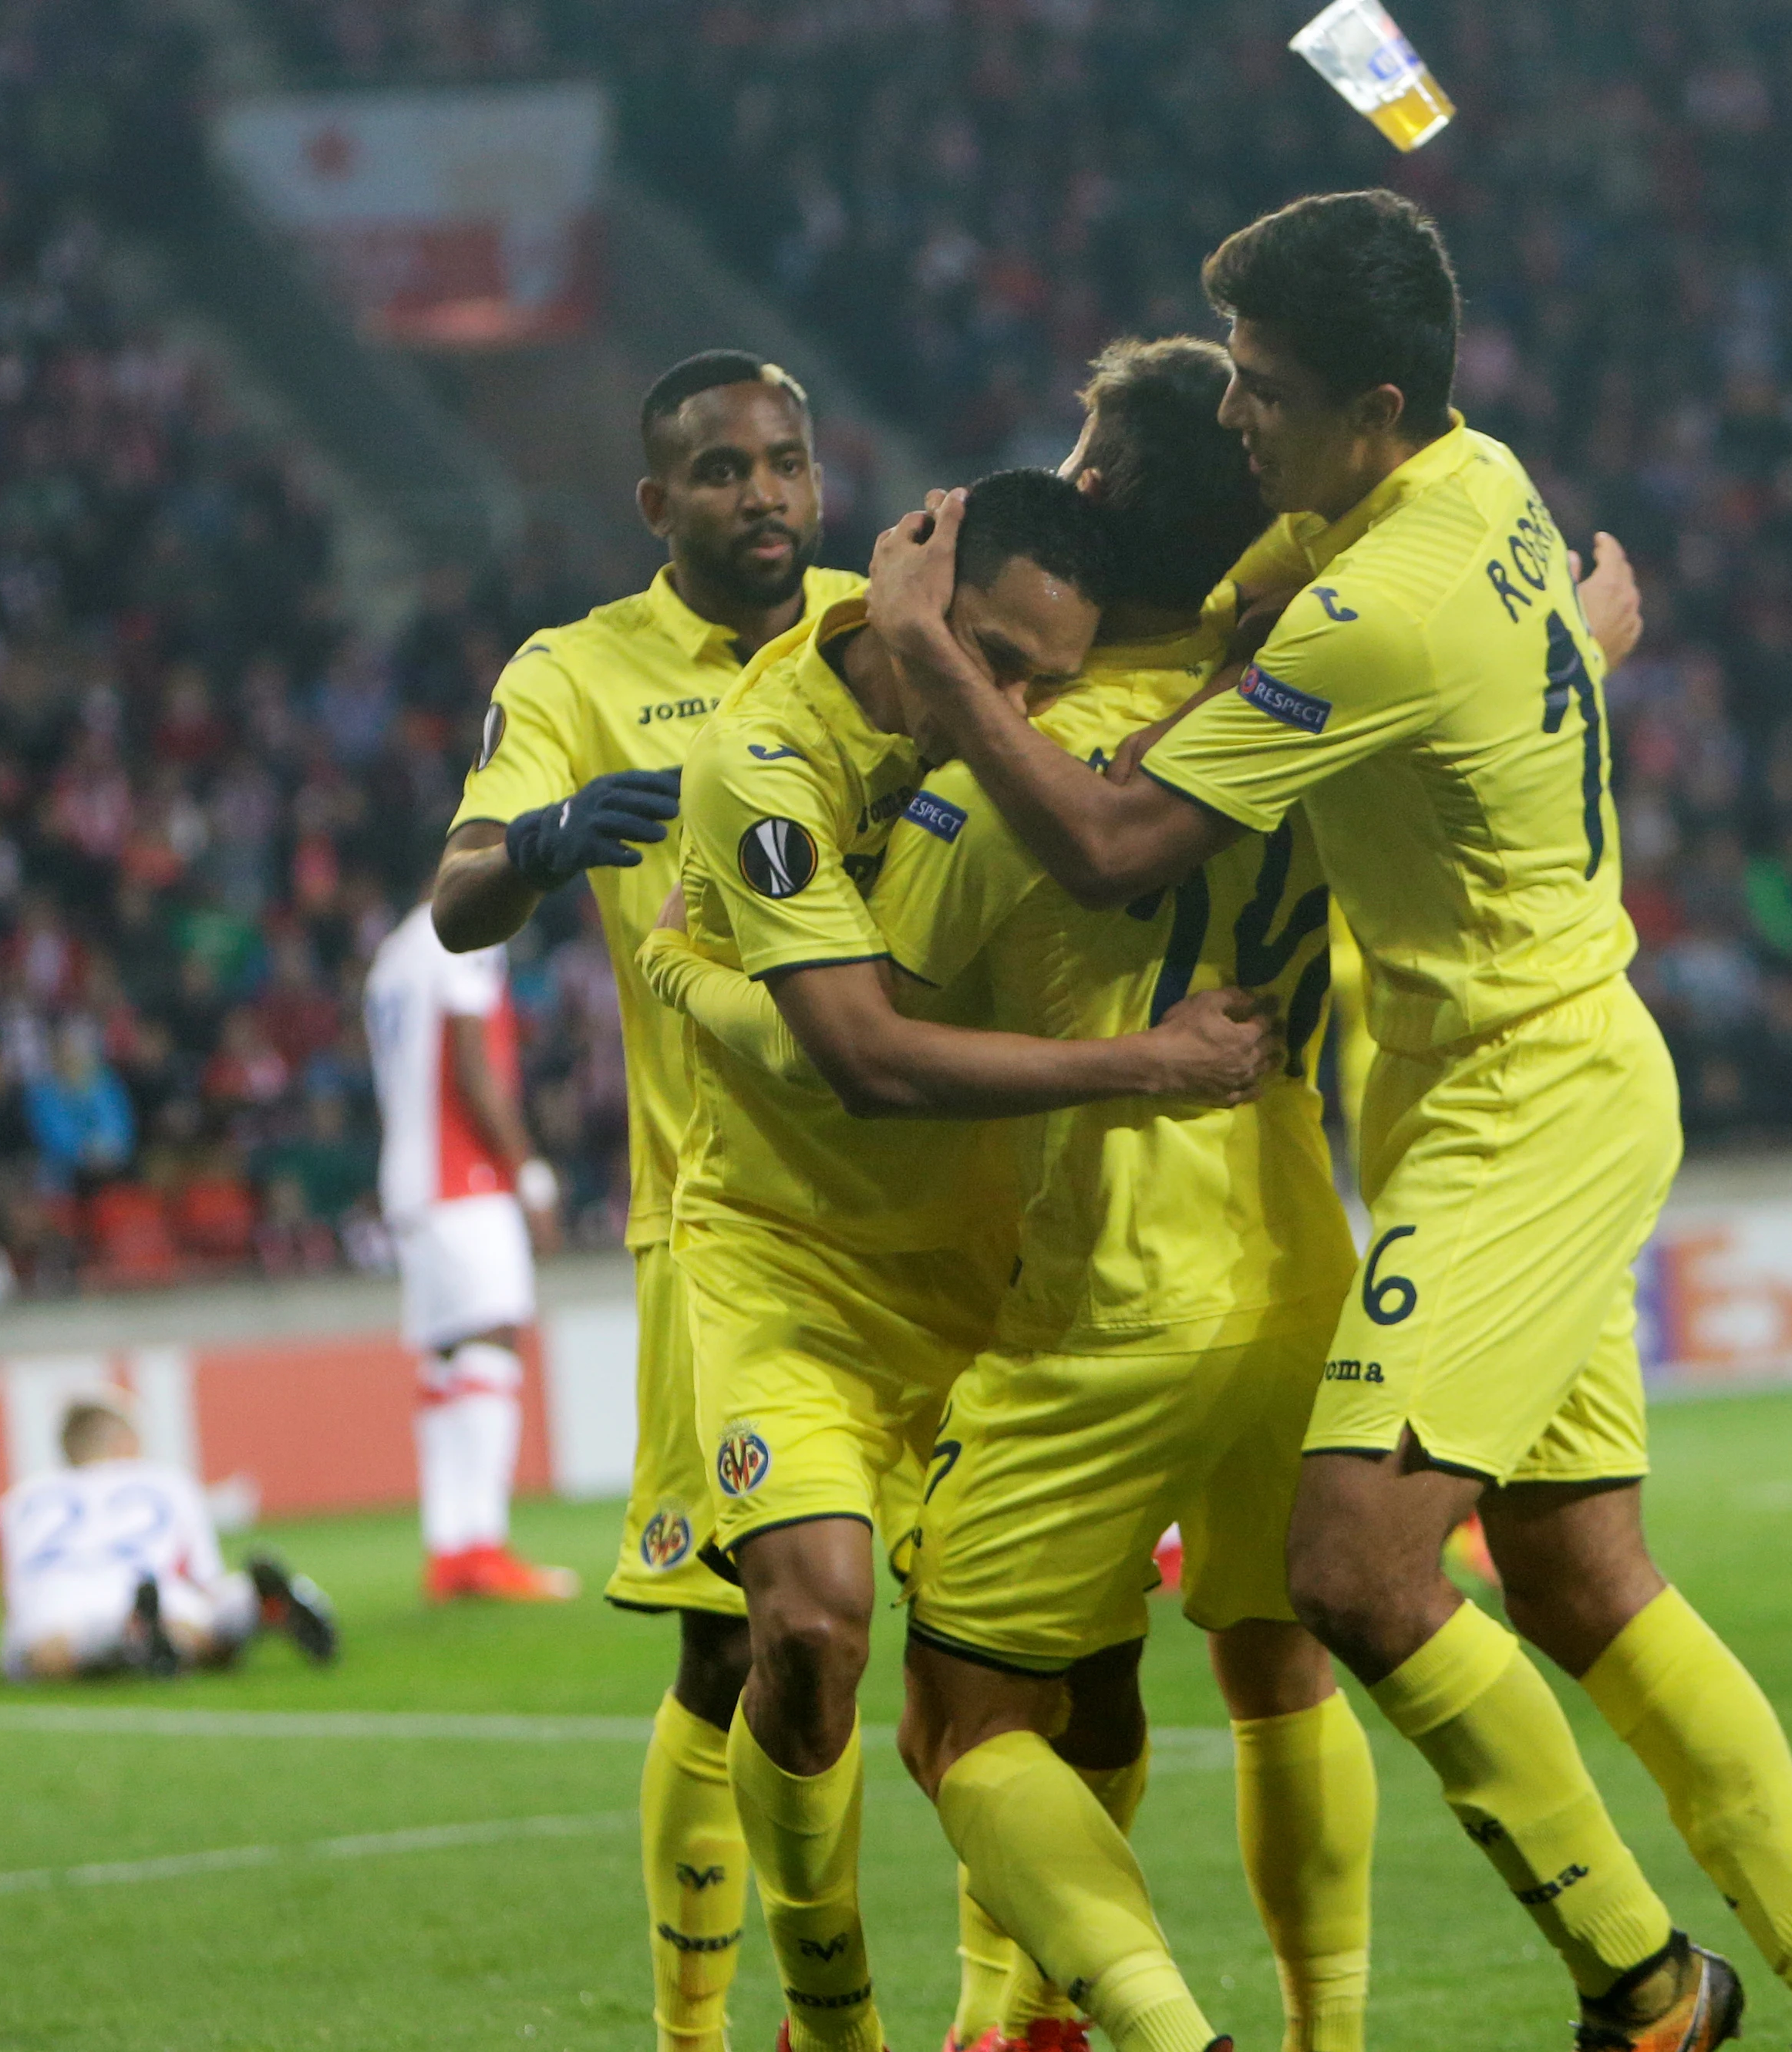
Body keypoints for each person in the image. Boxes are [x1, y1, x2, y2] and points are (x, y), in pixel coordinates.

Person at [871, 191, 1792, 2052]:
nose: (1236, 420)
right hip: (1522, 1071)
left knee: (1355, 1568)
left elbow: (1122, 836)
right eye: (1225, 381)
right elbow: (1407, 666)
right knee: (1573, 1570)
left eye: (1267, 390)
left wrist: (935, 660)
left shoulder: (1376, 604)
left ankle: (1642, 1990)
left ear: (1374, 404)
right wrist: (1582, 640)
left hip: (1518, 1102)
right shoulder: (1466, 491)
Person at [645, 339, 1427, 2052]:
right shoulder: (775, 758)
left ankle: (1024, 2018)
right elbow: (853, 1051)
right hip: (813, 1261)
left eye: (1028, 671)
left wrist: (690, 971)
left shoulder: (1042, 729)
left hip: (1021, 1265)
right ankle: (842, 2013)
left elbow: (875, 1035)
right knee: (820, 1633)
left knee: (1023, 1687)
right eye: (979, 659)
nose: (992, 696)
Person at [426, 350, 864, 2052]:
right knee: (738, 1652)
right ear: (654, 502)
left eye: (786, 459)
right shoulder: (577, 671)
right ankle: (699, 2032)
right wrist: (540, 839)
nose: (762, 491)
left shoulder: (884, 630)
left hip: (945, 1201)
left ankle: (1014, 2007)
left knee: (1014, 1649)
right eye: (721, 469)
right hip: (726, 1226)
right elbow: (456, 898)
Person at [362, 900, 574, 1604]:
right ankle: (481, 1546)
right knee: (493, 1337)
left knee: (449, 1360)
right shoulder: (468, 930)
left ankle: (451, 1548)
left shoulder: (395, 949)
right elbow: (473, 1065)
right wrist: (528, 1173)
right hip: (463, 1174)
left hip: (411, 1179)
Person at [0, 1394, 338, 1680]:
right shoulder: (164, 1480)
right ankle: (259, 1606)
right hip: (149, 1587)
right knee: (203, 1626)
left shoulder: (19, 1499)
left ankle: (124, 1638)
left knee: (38, 1655)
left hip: (56, 1608)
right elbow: (205, 1578)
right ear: (125, 1442)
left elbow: (9, 1599)